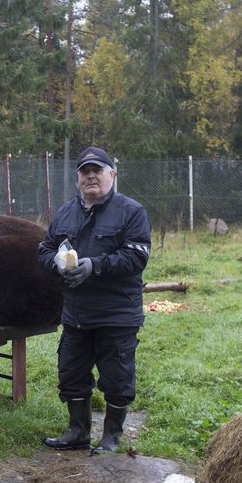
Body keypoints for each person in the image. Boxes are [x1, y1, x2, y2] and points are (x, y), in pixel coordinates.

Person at [38, 147, 151, 454]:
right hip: (76, 314)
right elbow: (45, 249)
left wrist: (94, 265)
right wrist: (57, 263)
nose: (90, 175)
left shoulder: (131, 212)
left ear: (112, 174)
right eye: (85, 171)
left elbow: (136, 257)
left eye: (97, 170)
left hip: (116, 314)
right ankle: (77, 432)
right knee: (71, 374)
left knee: (117, 377)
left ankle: (111, 436)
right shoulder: (65, 213)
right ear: (78, 178)